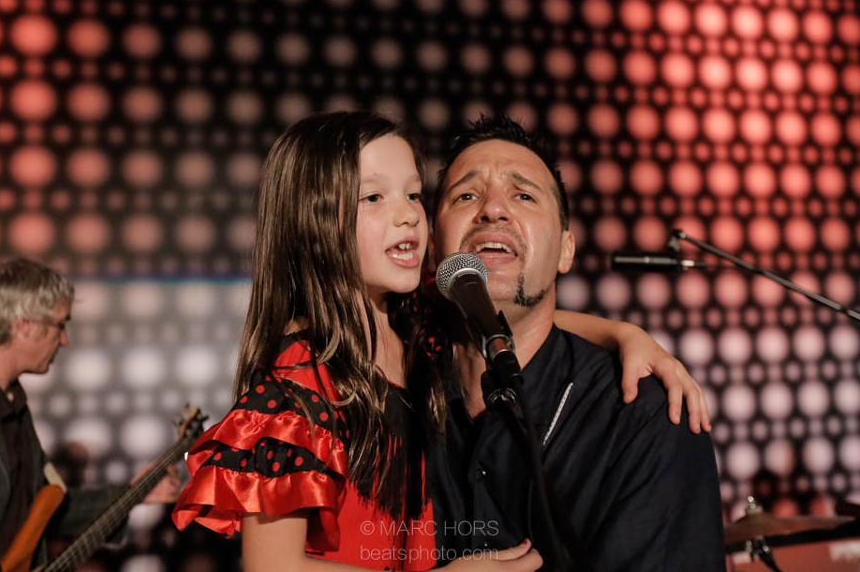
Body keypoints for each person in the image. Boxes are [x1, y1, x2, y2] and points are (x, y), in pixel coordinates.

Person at [171, 111, 707, 571]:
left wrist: (623, 333)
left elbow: (509, 313)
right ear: (315, 226)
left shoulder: (417, 330)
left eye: (412, 194)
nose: (407, 214)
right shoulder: (303, 384)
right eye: (374, 197)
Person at [428, 114, 725, 571]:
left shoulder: (643, 419)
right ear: (433, 249)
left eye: (523, 195)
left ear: (566, 250)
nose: (492, 209)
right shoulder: (386, 396)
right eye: (466, 195)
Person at [0, 258, 181, 572]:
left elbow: (49, 509)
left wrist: (133, 494)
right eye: (59, 324)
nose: (64, 339)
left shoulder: (13, 402)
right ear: (23, 324)